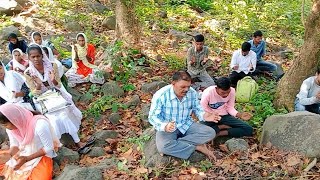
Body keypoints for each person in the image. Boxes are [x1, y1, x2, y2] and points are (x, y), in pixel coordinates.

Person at [24, 44, 91, 153]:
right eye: (33, 57)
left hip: (56, 95)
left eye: (38, 56)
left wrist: (53, 80)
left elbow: (58, 85)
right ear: (29, 58)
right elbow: (34, 93)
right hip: (42, 100)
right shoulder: (28, 73)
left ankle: (78, 141)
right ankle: (59, 145)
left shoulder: (52, 65)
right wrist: (38, 85)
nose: (36, 59)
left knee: (64, 115)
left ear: (42, 55)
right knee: (53, 119)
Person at [148, 70, 222, 160]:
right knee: (163, 147)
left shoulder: (192, 92)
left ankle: (176, 145)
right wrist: (164, 126)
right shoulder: (161, 95)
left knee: (210, 133)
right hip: (168, 127)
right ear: (173, 83)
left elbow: (197, 109)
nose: (186, 90)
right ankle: (197, 147)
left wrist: (204, 115)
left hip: (186, 124)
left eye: (188, 86)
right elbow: (152, 117)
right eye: (183, 87)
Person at [0, 104, 60, 179]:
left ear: (14, 120)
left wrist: (27, 158)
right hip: (23, 151)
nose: (4, 127)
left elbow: (49, 147)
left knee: (42, 177)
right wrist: (10, 155)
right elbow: (15, 144)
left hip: (41, 154)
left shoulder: (40, 125)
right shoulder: (10, 129)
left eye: (5, 125)